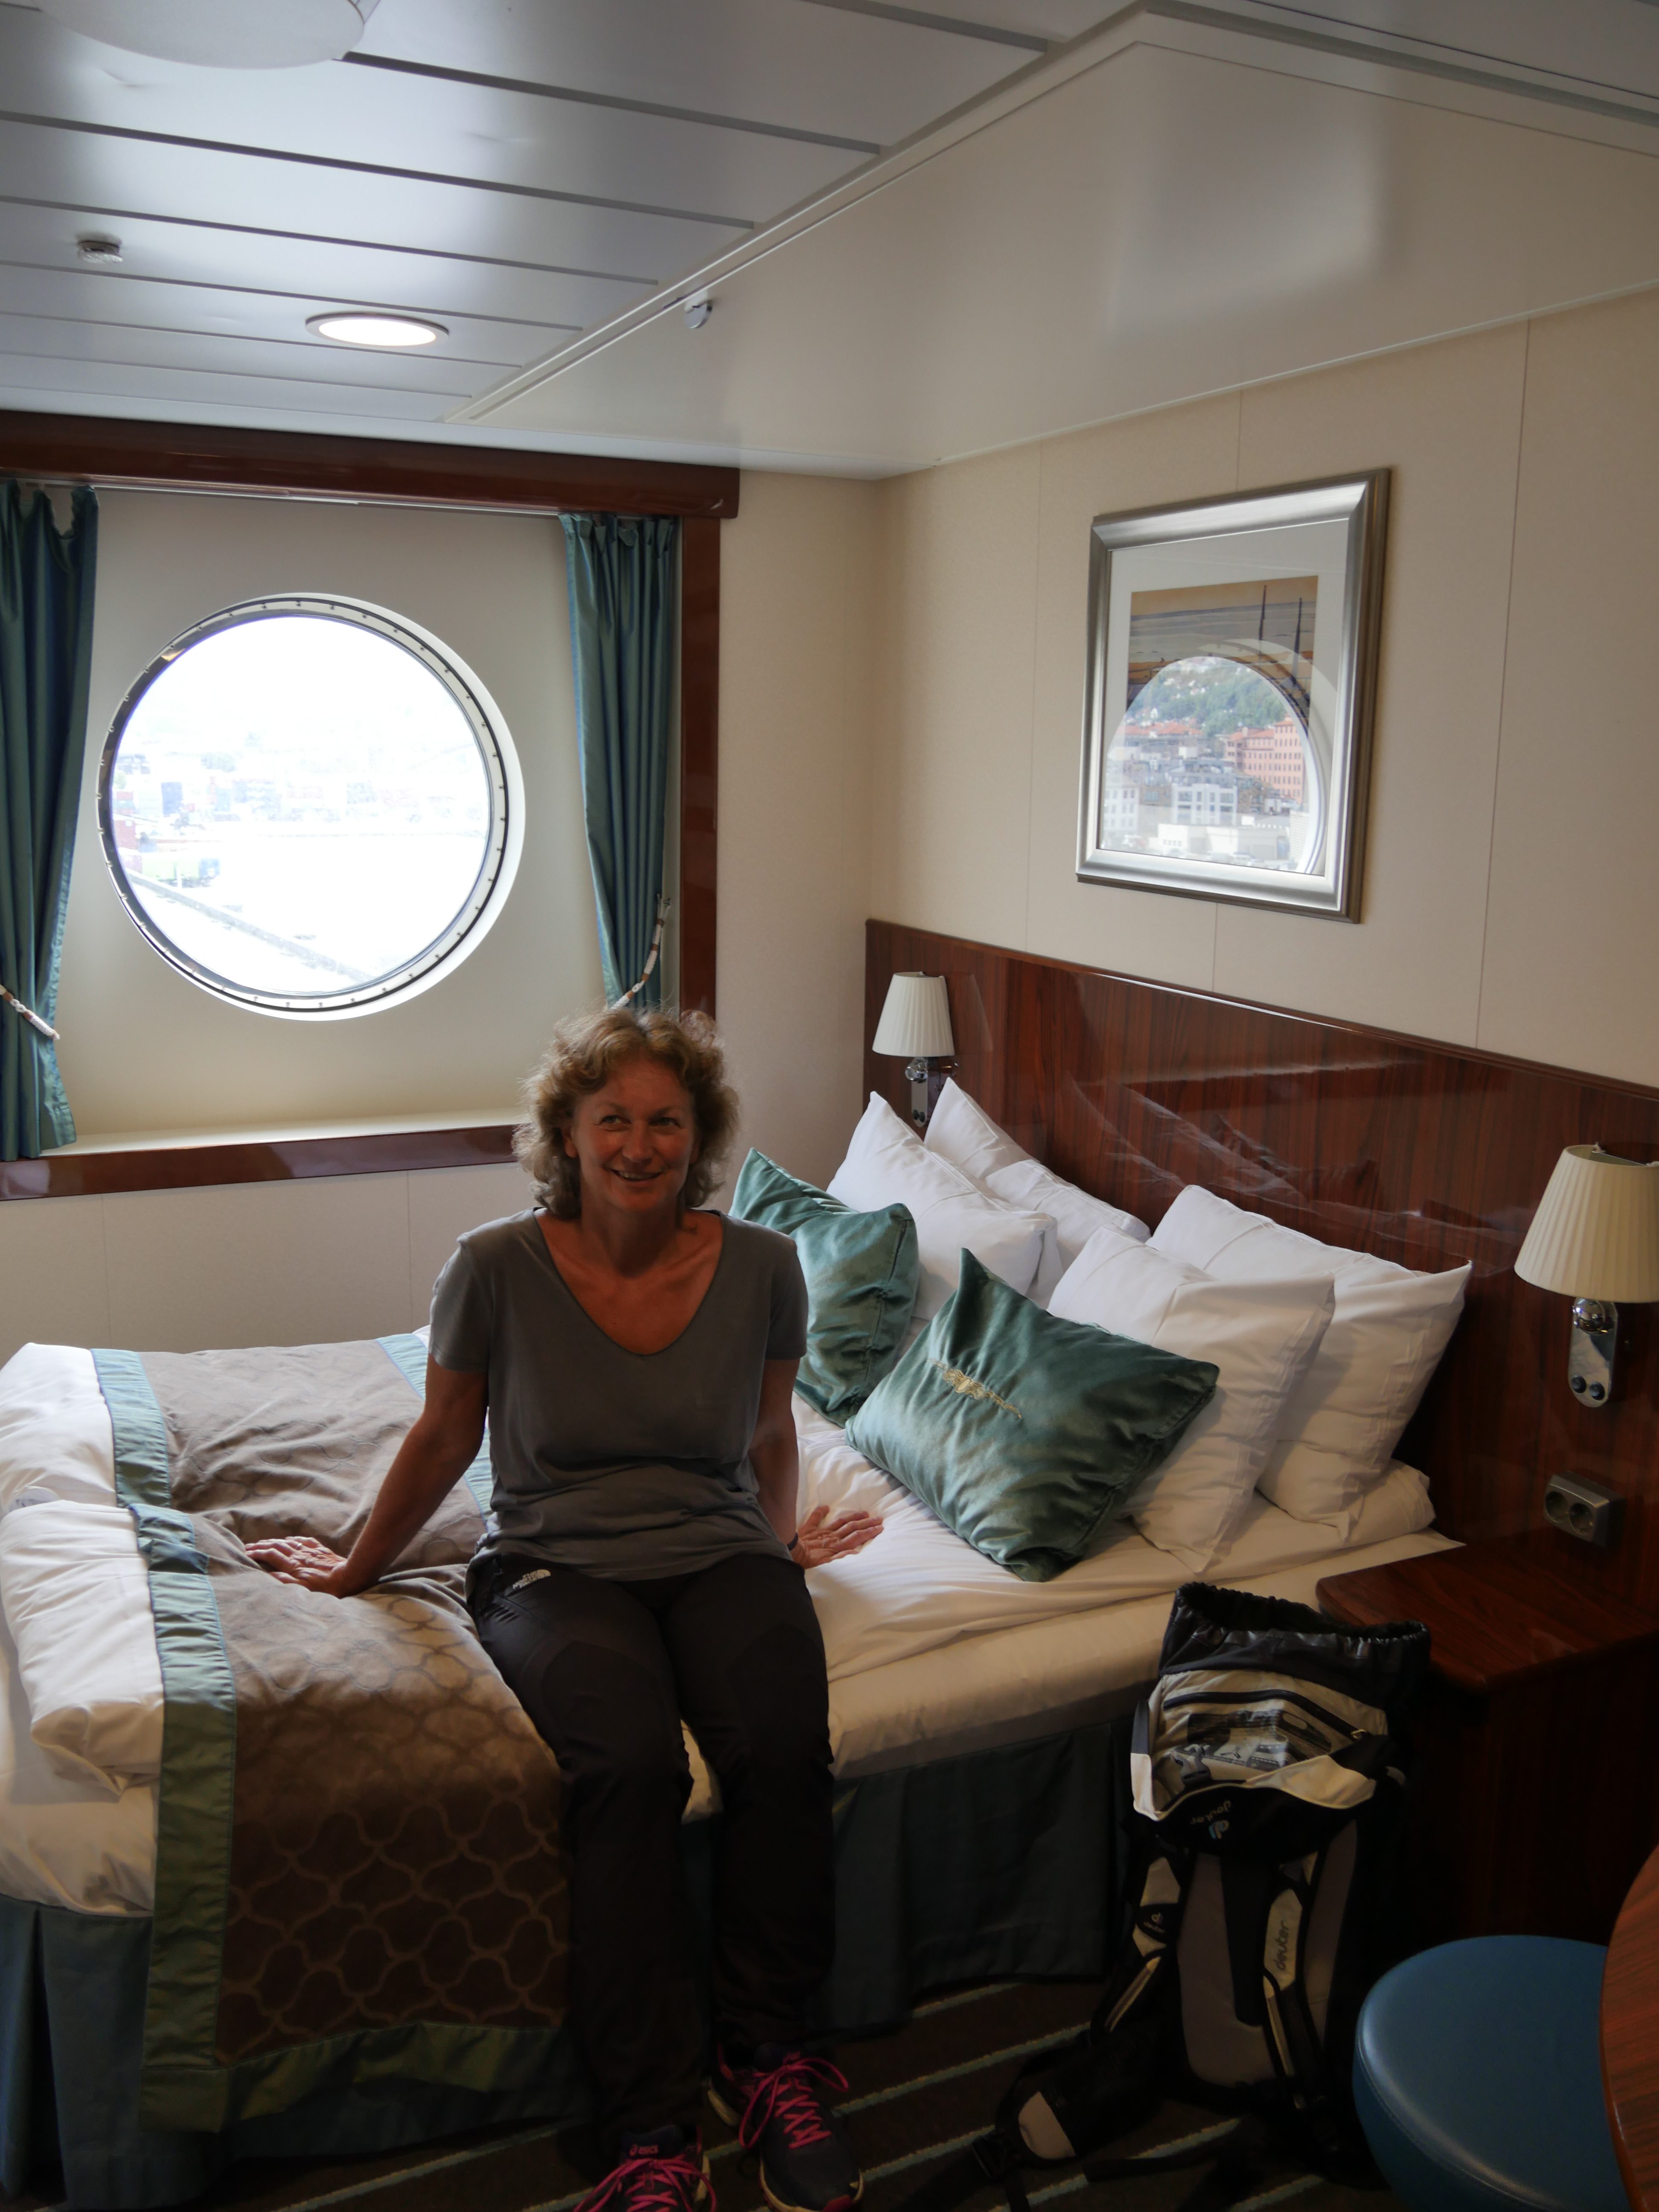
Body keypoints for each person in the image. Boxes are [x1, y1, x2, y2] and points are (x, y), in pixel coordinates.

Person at [249, 1006, 882, 2212]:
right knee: (628, 1767)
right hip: (553, 1563)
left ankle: (767, 2057)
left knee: (783, 1745)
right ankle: (648, 2123)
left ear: (699, 1135)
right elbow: (443, 1436)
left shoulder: (764, 1265)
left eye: (667, 1121)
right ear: (569, 1134)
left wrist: (778, 1546)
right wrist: (353, 1568)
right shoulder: (494, 1265)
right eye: (614, 1120)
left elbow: (768, 1432)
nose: (640, 1145)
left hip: (720, 1551)